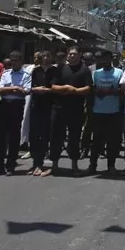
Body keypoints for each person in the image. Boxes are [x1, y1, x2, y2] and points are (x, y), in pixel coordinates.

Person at [50, 47, 92, 176]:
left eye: (74, 54)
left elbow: (88, 88)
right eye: (70, 54)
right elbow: (53, 86)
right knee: (56, 137)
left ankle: (74, 166)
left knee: (74, 138)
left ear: (79, 55)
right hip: (59, 108)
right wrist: (65, 88)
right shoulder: (60, 68)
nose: (71, 56)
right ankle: (54, 166)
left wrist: (75, 91)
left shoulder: (84, 70)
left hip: (76, 110)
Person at [0, 51, 32, 176]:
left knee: (14, 136)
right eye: (12, 60)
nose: (14, 63)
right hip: (4, 104)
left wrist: (9, 90)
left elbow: (25, 91)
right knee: (0, 135)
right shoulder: (6, 73)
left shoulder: (26, 75)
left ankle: (11, 164)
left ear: (21, 61)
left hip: (16, 106)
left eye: (16, 60)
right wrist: (14, 89)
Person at [84, 50, 122, 176]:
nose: (104, 61)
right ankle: (92, 165)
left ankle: (111, 165)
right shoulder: (95, 73)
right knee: (96, 141)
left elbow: (121, 91)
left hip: (113, 111)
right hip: (98, 111)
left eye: (106, 59)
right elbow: (92, 90)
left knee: (112, 141)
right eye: (102, 59)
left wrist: (108, 92)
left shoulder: (119, 72)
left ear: (111, 59)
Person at [28, 51, 60, 177]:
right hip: (36, 105)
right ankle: (36, 163)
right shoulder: (36, 71)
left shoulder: (55, 71)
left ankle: (47, 164)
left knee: (46, 135)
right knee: (34, 136)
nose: (45, 59)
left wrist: (44, 90)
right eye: (43, 57)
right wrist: (36, 89)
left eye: (48, 56)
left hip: (50, 106)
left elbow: (55, 87)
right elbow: (29, 86)